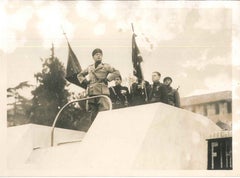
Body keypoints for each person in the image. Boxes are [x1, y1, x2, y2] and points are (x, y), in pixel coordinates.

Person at [77, 48, 120, 121]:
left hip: (102, 92)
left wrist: (108, 79)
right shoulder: (89, 67)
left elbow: (117, 72)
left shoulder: (106, 66)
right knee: (93, 115)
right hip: (92, 93)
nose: (99, 56)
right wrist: (85, 81)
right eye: (96, 54)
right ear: (93, 57)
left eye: (100, 54)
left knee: (103, 113)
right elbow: (79, 75)